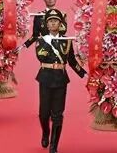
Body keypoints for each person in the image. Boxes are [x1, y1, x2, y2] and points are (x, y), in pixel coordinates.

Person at [35, 8, 85, 153]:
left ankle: (54, 145)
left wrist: (84, 74)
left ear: (60, 23)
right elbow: (41, 57)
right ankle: (45, 132)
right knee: (43, 113)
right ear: (47, 24)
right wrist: (48, 42)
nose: (53, 23)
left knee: (58, 114)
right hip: (45, 77)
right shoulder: (42, 40)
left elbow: (72, 62)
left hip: (60, 79)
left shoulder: (66, 41)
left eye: (55, 21)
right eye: (50, 21)